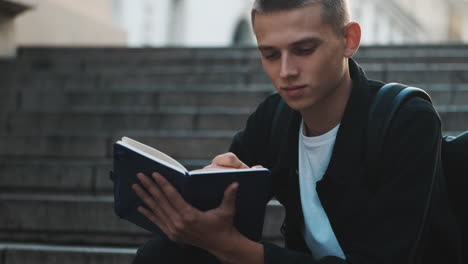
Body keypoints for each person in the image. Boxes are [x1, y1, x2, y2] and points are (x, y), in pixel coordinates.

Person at [131, 0, 463, 263]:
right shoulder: (273, 118)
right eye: (270, 54)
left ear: (349, 40)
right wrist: (211, 190)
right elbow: (222, 222)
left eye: (304, 50)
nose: (286, 72)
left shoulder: (405, 119)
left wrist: (235, 249)